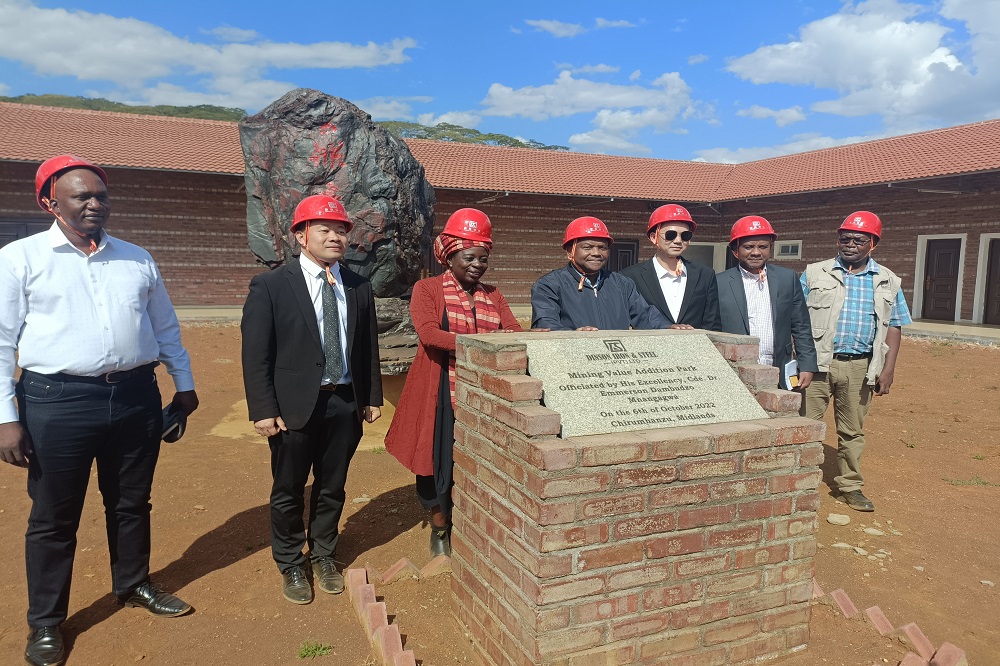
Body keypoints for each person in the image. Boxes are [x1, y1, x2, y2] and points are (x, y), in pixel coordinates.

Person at [0, 155, 199, 666]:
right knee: (54, 515)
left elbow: (165, 326)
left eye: (101, 195)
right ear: (51, 203)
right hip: (56, 403)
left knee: (131, 502)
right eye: (82, 196)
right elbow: (0, 342)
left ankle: (132, 584)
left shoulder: (136, 258)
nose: (95, 203)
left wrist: (184, 385)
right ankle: (46, 622)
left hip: (135, 397)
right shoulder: (19, 259)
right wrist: (6, 417)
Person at [241, 194, 383, 604]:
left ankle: (323, 553)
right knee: (288, 488)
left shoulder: (357, 286)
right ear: (301, 235)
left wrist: (371, 396)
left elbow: (367, 346)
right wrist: (263, 409)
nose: (336, 237)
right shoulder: (271, 285)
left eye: (341, 230)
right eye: (325, 229)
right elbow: (256, 352)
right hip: (293, 407)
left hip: (343, 402)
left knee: (332, 486)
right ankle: (290, 562)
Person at [385, 209, 521, 557]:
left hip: (485, 393)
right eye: (469, 257)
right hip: (440, 390)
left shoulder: (494, 294)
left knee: (480, 459)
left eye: (483, 258)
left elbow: (514, 331)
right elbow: (430, 335)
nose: (477, 265)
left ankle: (472, 523)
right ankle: (440, 528)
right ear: (449, 256)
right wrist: (484, 344)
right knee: (434, 461)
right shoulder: (428, 289)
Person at [799, 211, 912, 512]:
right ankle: (799, 480)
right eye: (845, 238)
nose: (850, 244)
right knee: (805, 425)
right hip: (816, 365)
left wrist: (888, 369)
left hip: (861, 367)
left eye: (859, 240)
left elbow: (894, 326)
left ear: (873, 243)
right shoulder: (814, 273)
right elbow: (795, 317)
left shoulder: (888, 280)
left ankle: (850, 486)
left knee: (852, 431)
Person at [716, 216, 817, 389]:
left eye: (763, 247)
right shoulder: (719, 283)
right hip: (734, 371)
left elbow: (801, 325)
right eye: (748, 247)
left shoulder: (787, 278)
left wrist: (807, 364)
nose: (756, 252)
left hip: (778, 367)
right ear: (735, 250)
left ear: (770, 247)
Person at [531, 216, 670, 331]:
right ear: (569, 251)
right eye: (587, 247)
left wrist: (667, 327)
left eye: (602, 248)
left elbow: (646, 317)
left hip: (615, 354)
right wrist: (574, 335)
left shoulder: (622, 284)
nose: (596, 253)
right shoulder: (549, 285)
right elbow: (545, 324)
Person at [620, 204, 721, 331]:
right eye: (670, 235)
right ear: (653, 237)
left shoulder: (705, 275)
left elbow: (712, 325)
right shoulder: (630, 277)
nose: (678, 241)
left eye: (685, 235)